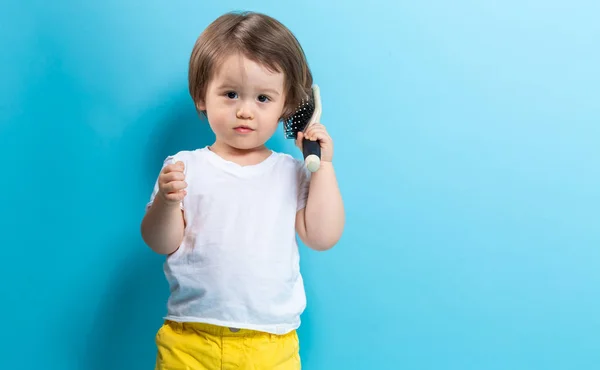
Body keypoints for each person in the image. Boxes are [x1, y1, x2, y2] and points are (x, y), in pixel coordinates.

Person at [141, 10, 345, 370]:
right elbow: (160, 242)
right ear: (202, 96)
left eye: (263, 99)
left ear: (287, 107)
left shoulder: (291, 172)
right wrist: (168, 203)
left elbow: (323, 236)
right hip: (190, 340)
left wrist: (322, 168)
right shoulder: (184, 167)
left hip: (270, 345)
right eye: (231, 94)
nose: (245, 111)